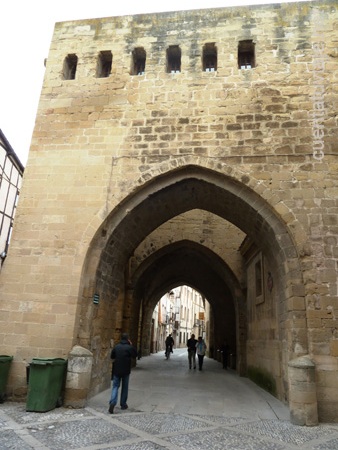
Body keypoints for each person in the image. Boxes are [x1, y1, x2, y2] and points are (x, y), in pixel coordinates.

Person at [109, 333, 137, 414]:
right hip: (126, 371)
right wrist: (131, 345)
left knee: (115, 386)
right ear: (128, 339)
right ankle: (123, 404)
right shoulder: (129, 347)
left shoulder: (117, 347)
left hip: (116, 370)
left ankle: (112, 402)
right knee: (125, 387)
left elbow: (112, 356)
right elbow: (135, 355)